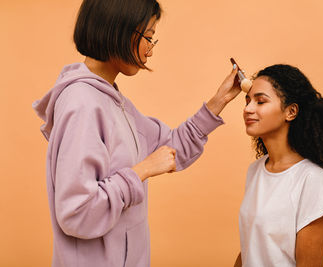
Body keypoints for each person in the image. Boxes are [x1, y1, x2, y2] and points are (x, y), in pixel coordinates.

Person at [33, 0, 241, 266]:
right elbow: (77, 213)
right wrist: (140, 171)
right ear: (120, 30)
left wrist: (218, 101)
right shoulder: (82, 104)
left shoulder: (114, 102)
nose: (150, 51)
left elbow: (171, 149)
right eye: (149, 38)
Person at [234, 64, 323, 267]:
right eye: (247, 101)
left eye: (260, 101)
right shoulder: (256, 170)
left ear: (291, 111)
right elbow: (252, 248)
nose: (248, 109)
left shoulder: (313, 179)